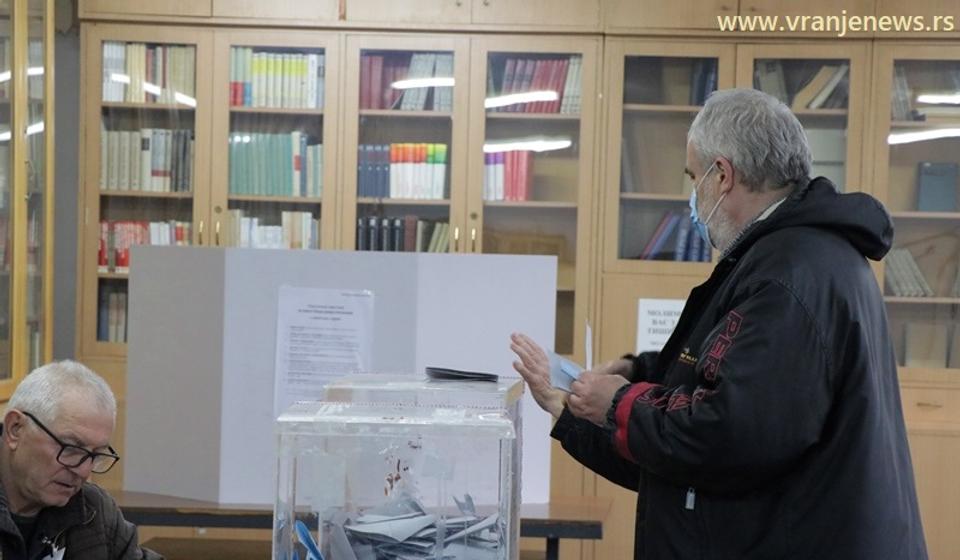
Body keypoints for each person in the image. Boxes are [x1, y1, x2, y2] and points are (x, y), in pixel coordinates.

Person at [511, 88, 928, 559]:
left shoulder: (790, 275)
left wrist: (618, 403)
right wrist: (634, 375)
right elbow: (726, 375)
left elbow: (730, 433)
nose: (693, 195)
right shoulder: (793, 257)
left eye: (694, 177)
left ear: (723, 174)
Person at [0, 360, 162, 559]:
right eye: (71, 448)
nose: (84, 471)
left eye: (95, 455)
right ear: (15, 429)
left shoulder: (94, 511)